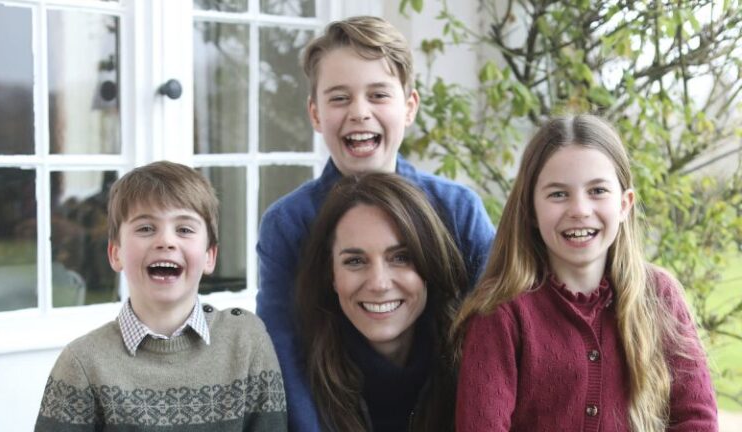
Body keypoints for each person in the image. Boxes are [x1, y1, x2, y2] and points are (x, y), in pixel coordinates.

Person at [256, 15, 495, 431]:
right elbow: (284, 356)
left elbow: (495, 338)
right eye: (339, 98)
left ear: (409, 107)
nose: (359, 113)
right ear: (315, 114)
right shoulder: (288, 224)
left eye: (378, 94)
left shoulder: (458, 211)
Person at [454, 115, 718, 431]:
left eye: (597, 190)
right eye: (558, 194)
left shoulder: (660, 296)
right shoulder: (501, 315)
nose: (579, 210)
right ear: (531, 210)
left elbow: (697, 420)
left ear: (624, 204)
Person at [35, 161, 287, 431]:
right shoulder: (82, 363)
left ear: (209, 256)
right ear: (115, 254)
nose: (166, 241)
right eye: (145, 228)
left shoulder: (246, 341)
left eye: (184, 230)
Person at [296, 172, 467, 431]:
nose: (379, 283)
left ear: (430, 265)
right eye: (355, 261)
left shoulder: (471, 366)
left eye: (401, 258)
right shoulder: (295, 383)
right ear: (331, 276)